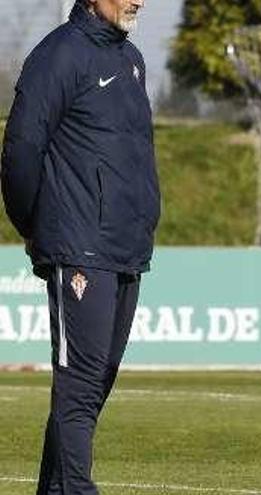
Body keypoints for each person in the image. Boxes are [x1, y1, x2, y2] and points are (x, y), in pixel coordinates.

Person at [1, 1, 158, 493]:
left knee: (94, 386)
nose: (137, 0)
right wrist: (34, 225)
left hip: (126, 246)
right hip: (79, 245)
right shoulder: (58, 55)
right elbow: (21, 150)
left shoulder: (131, 60)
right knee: (79, 386)